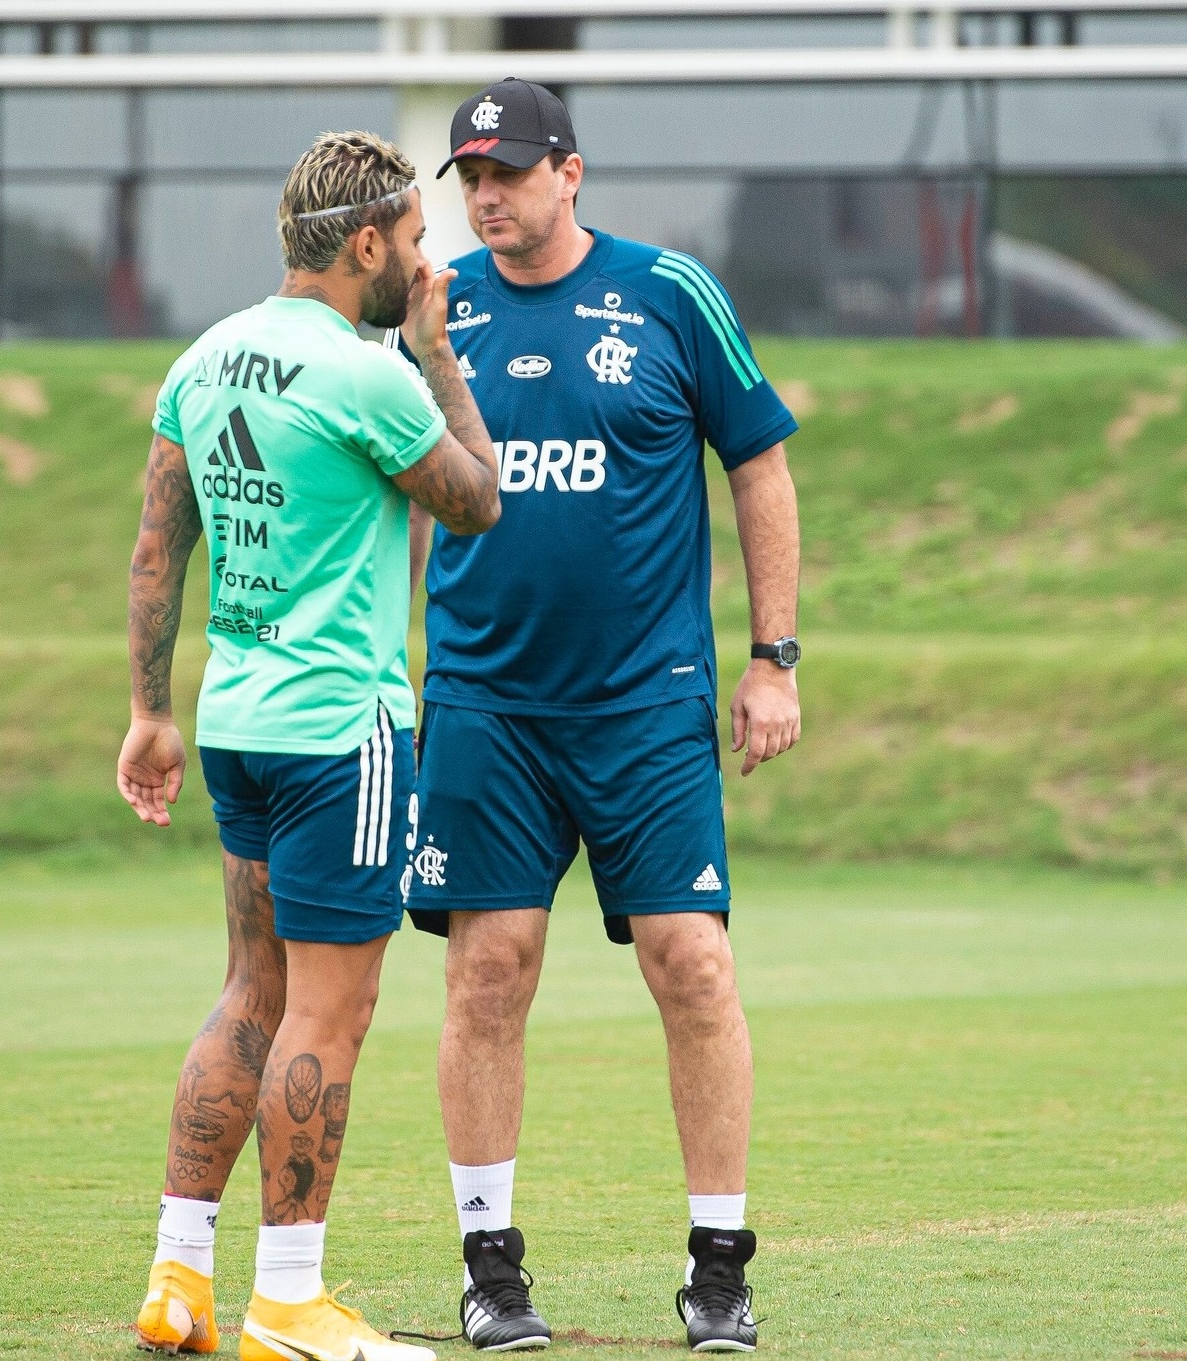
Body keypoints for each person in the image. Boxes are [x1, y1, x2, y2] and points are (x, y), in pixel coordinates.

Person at [397, 80, 803, 1353]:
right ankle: (489, 1266)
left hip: (646, 705)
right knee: (487, 970)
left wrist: (771, 658)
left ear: (571, 173)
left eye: (509, 170)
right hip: (485, 701)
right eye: (470, 174)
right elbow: (390, 484)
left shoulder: (671, 295)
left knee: (692, 963)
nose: (485, 194)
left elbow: (759, 465)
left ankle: (718, 1270)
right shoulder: (433, 309)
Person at [116, 129, 500, 1361]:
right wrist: (438, 359)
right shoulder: (368, 373)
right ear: (366, 242)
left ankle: (179, 1276)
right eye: (418, 243)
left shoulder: (205, 356)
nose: (427, 265)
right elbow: (478, 499)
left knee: (250, 990)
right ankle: (288, 1299)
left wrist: (148, 710)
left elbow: (154, 549)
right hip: (344, 733)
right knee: (330, 1013)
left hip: (235, 724)